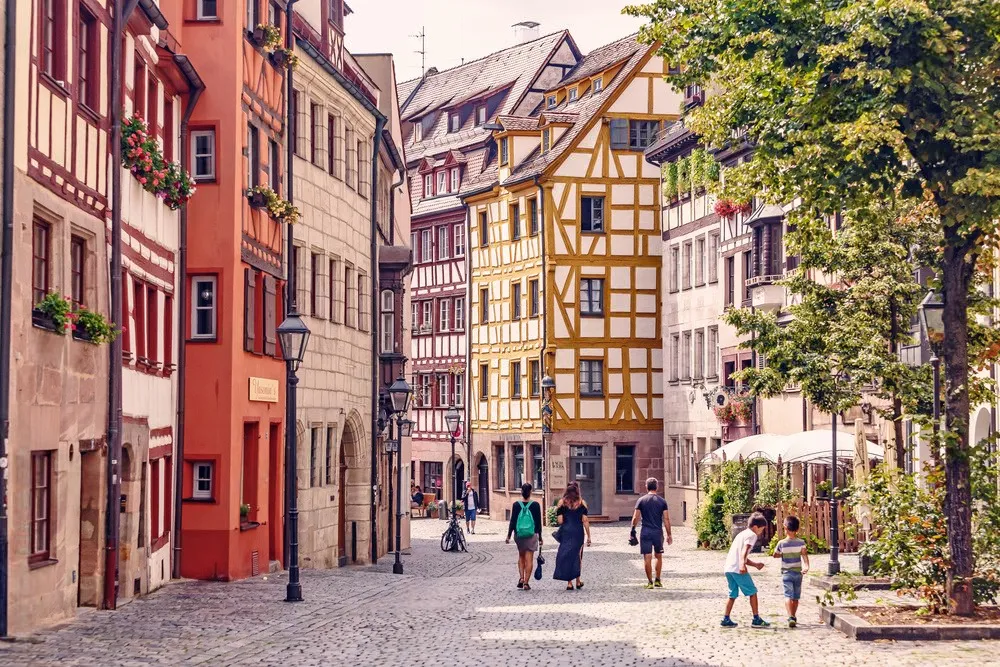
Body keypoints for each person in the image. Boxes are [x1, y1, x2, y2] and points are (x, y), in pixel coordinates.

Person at [722, 511, 769, 628]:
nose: (761, 532)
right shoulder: (752, 535)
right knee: (753, 592)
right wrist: (742, 565)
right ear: (755, 527)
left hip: (729, 568)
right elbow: (744, 552)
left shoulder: (742, 534)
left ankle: (726, 618)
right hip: (738, 569)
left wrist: (755, 564)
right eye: (761, 529)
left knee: (732, 594)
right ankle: (756, 618)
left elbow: (741, 554)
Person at [631, 477, 672, 589]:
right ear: (657, 487)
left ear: (646, 487)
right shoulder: (662, 501)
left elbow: (636, 517)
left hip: (645, 532)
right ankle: (658, 579)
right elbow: (666, 519)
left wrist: (632, 530)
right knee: (658, 556)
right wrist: (669, 534)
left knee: (647, 557)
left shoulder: (641, 500)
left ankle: (649, 582)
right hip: (658, 532)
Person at [553, 482, 591, 591]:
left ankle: (569, 583)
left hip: (566, 531)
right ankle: (578, 581)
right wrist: (589, 536)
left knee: (567, 555)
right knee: (578, 556)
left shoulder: (562, 503)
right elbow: (585, 521)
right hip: (578, 532)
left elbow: (560, 521)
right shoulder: (582, 503)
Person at [773, 515, 809, 627]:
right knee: (796, 597)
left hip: (786, 573)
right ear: (797, 529)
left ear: (785, 528)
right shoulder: (801, 542)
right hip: (798, 573)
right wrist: (806, 566)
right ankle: (794, 615)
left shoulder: (781, 543)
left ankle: (790, 617)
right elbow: (804, 555)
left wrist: (781, 554)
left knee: (788, 595)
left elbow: (775, 555)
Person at [506, 483, 542, 590]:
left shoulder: (516, 505)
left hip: (519, 535)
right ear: (531, 492)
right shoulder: (535, 505)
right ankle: (526, 583)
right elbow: (538, 523)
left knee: (521, 556)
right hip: (531, 535)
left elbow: (512, 521)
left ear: (521, 491)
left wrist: (508, 535)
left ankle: (521, 578)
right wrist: (540, 538)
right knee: (529, 559)